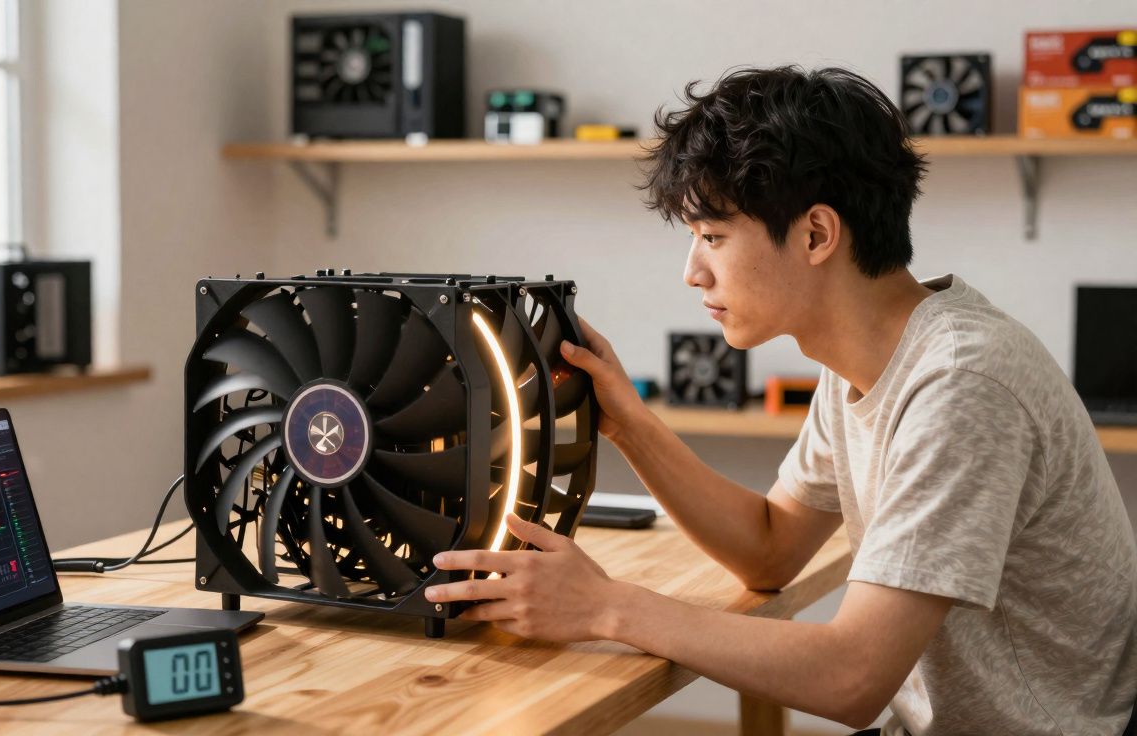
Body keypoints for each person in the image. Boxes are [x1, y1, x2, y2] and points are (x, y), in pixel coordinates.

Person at [424, 66, 1137, 734]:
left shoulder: (961, 385)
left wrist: (607, 607)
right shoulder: (867, 357)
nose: (692, 272)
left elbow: (853, 677)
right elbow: (770, 549)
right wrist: (629, 425)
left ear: (817, 234)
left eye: (712, 236)